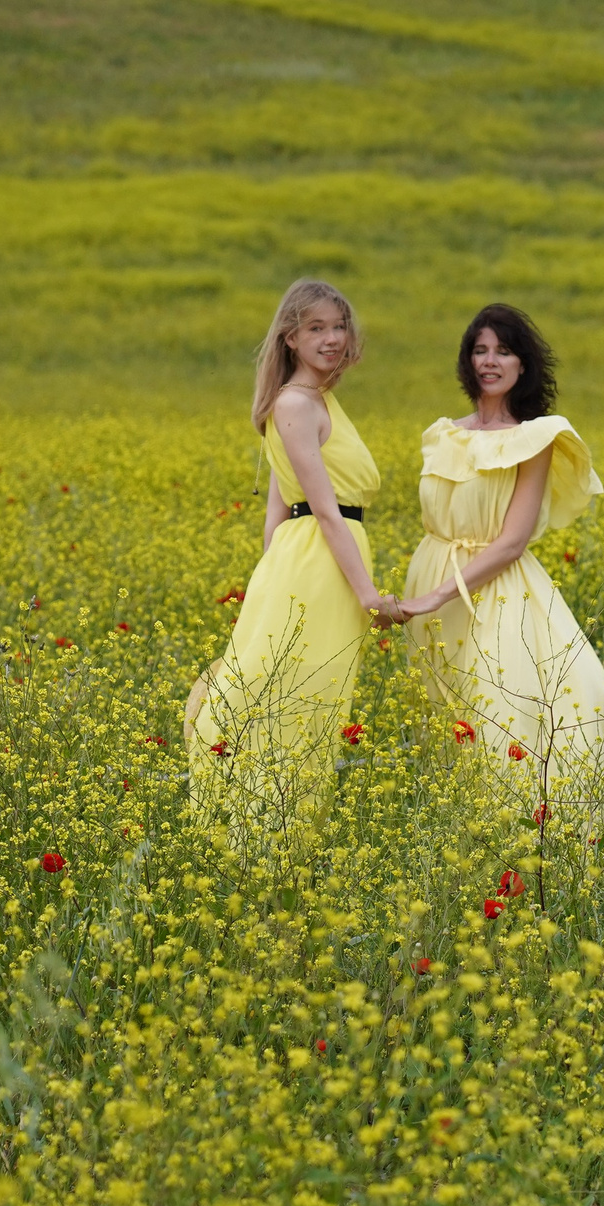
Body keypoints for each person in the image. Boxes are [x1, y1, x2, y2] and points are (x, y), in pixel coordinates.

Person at [187, 279, 400, 831]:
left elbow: (276, 513)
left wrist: (269, 582)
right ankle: (252, 828)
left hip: (312, 557)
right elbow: (324, 511)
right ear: (290, 338)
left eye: (339, 327)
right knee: (292, 691)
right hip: (318, 561)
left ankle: (279, 832)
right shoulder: (295, 404)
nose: (332, 338)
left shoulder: (315, 402)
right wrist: (370, 597)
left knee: (310, 697)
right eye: (316, 328)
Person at [392, 304, 604, 820]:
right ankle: (451, 832)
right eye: (480, 350)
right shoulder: (443, 433)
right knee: (442, 719)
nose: (490, 361)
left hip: (491, 589)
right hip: (432, 575)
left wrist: (437, 596)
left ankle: (520, 833)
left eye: (504, 351)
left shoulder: (534, 438)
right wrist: (427, 593)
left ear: (523, 365)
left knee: (501, 711)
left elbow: (512, 541)